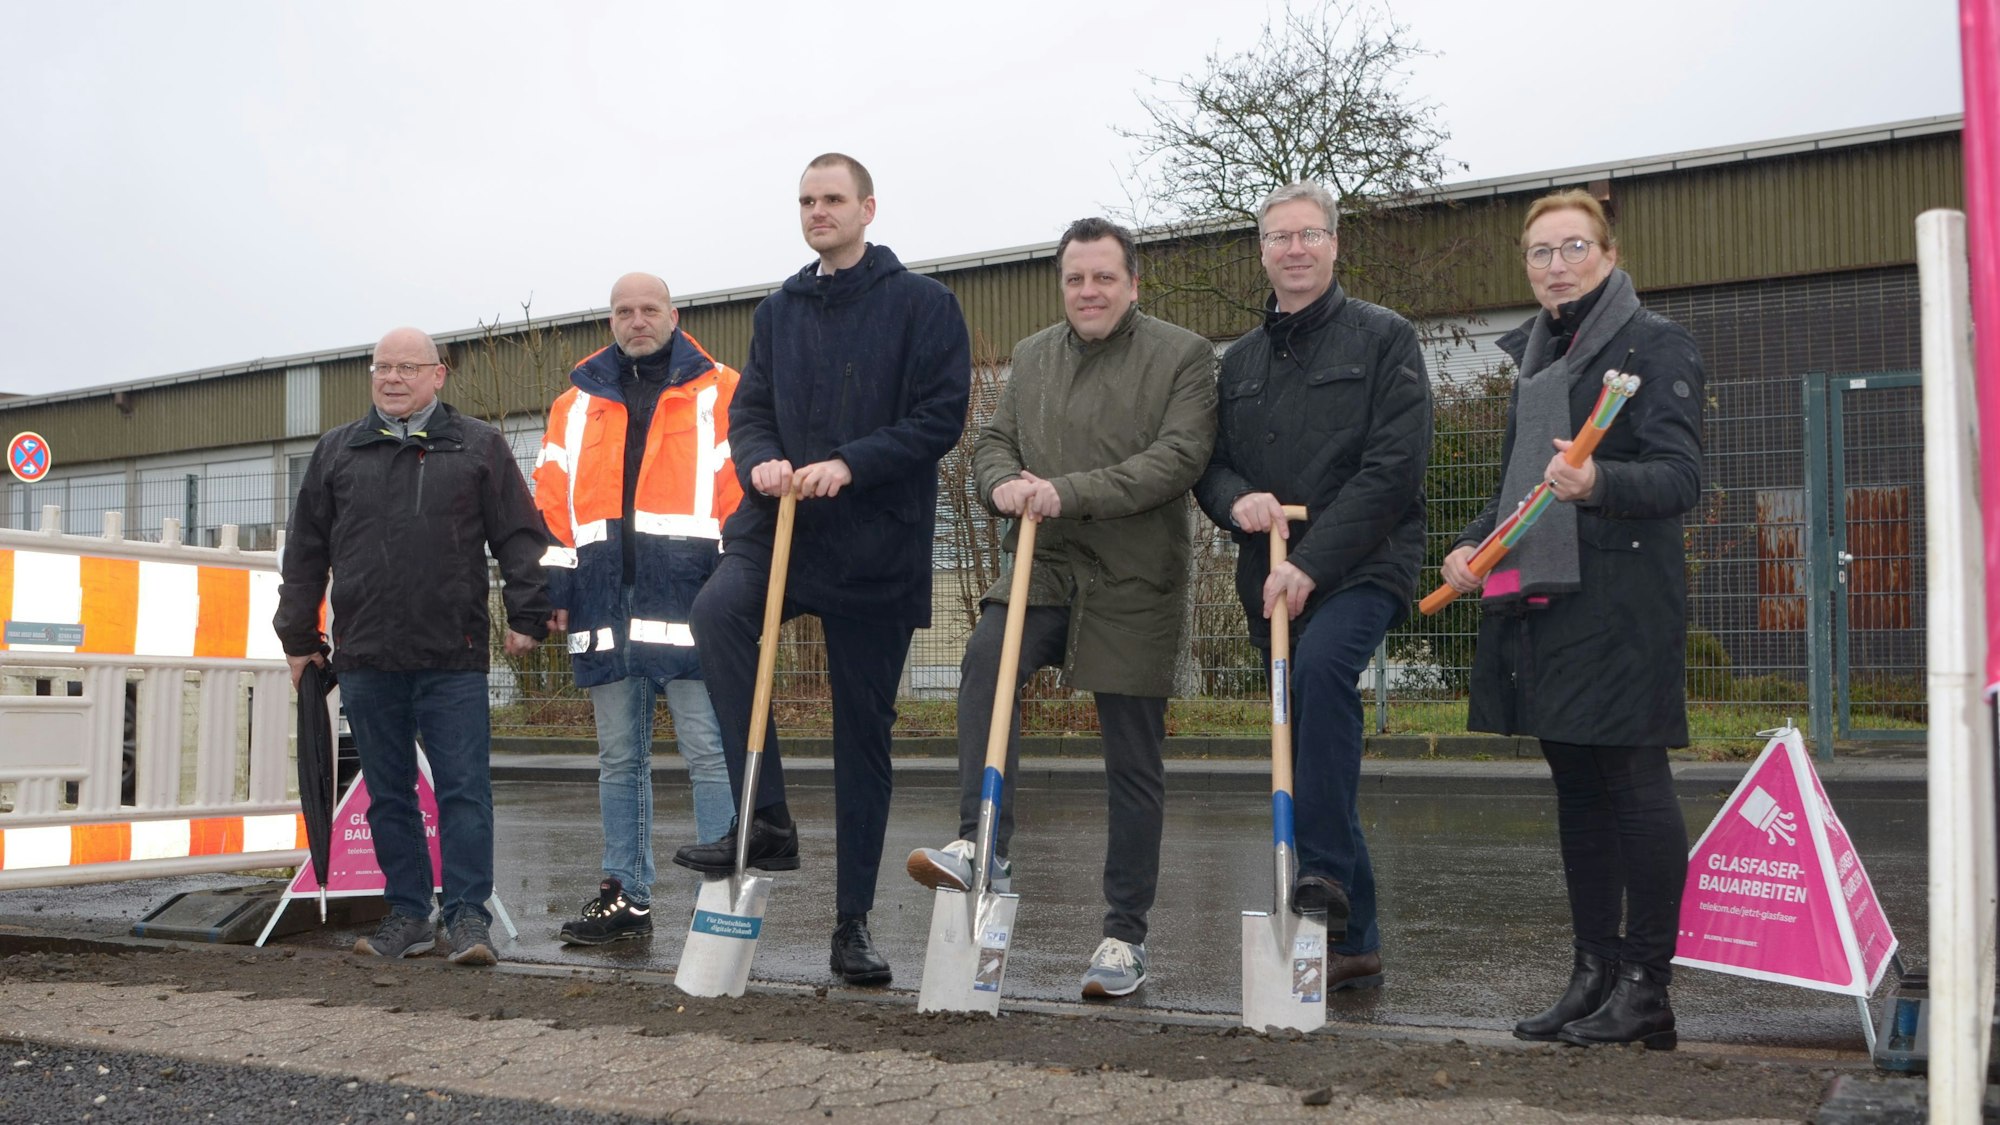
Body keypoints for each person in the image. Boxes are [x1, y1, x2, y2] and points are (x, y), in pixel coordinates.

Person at [674, 153, 971, 986]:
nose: (818, 211)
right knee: (718, 611)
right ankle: (764, 813)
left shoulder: (923, 305)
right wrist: (762, 460)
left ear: (868, 208)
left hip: (877, 538)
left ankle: (853, 923)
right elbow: (751, 411)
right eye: (806, 200)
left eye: (833, 198)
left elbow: (941, 414)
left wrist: (852, 462)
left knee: (860, 736)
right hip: (784, 527)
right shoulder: (780, 310)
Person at [905, 217, 1217, 999]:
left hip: (1135, 576)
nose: (1088, 291)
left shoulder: (1181, 356)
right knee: (985, 659)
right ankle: (983, 844)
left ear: (1133, 283)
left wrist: (1062, 492)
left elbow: (1176, 460)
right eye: (1076, 279)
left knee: (1133, 759)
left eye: (1104, 277)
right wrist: (1000, 482)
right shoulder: (1036, 355)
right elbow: (991, 444)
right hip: (1044, 568)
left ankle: (1123, 936)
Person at [1440, 189, 1702, 1050]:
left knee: (1633, 787)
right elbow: (1522, 488)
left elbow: (1678, 478)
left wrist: (1600, 484)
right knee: (1579, 797)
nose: (1556, 265)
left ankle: (1646, 986)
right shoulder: (1539, 355)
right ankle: (1591, 975)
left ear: (1610, 252)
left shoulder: (1655, 345)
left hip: (1623, 607)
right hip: (1544, 601)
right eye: (1541, 252)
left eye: (1573, 247)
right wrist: (1475, 547)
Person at [1194, 181, 1432, 994]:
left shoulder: (1385, 339)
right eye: (1277, 236)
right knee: (1306, 738)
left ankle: (1320, 874)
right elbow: (1211, 466)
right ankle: (1355, 936)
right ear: (1260, 250)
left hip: (1364, 563)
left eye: (1309, 234)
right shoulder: (1241, 363)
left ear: (1335, 244)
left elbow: (1393, 471)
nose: (1294, 249)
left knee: (1326, 673)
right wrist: (1237, 501)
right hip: (1271, 579)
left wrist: (1312, 561)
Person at [274, 327, 551, 966]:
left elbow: (518, 536)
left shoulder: (478, 446)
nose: (392, 378)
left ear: (438, 375)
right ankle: (406, 914)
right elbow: (306, 551)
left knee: (463, 791)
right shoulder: (337, 451)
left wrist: (527, 614)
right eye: (382, 368)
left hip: (450, 652)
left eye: (406, 367)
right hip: (367, 654)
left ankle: (467, 919)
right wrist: (298, 637)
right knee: (388, 792)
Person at [533, 273, 743, 946]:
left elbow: (738, 497)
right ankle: (624, 893)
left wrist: (732, 588)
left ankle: (724, 897)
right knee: (619, 757)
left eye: (649, 308)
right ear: (611, 320)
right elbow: (552, 505)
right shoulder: (573, 403)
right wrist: (556, 594)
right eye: (624, 310)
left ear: (674, 314)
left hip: (692, 597)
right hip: (603, 599)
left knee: (707, 750)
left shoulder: (721, 391)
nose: (637, 319)